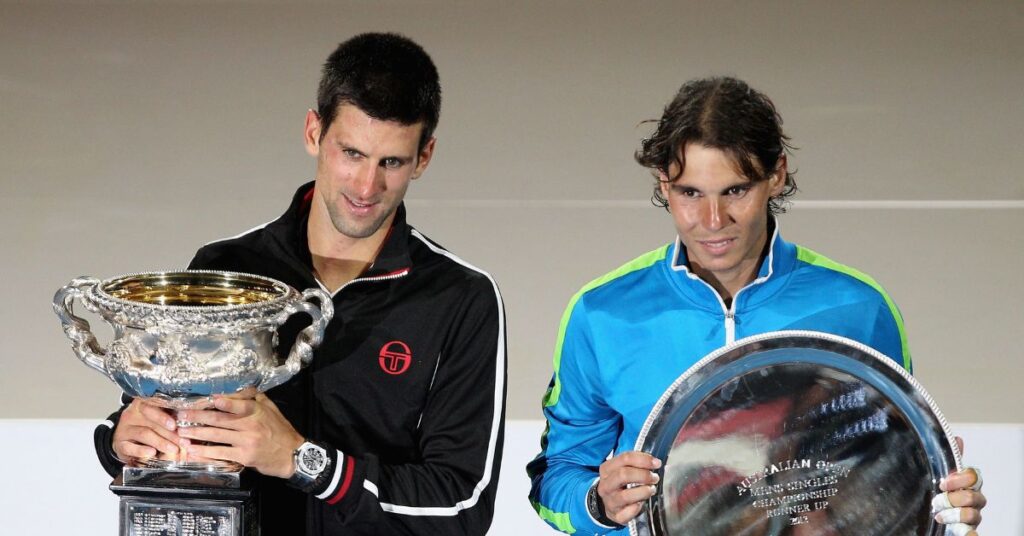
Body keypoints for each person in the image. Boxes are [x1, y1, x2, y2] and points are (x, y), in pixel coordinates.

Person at [527, 76, 985, 535]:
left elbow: (891, 471)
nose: (712, 221)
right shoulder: (601, 313)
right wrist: (598, 504)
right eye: (691, 193)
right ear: (663, 183)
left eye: (735, 191)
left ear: (776, 175)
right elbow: (556, 475)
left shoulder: (859, 308)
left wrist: (944, 499)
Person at [93, 33, 507, 535]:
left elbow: (460, 509)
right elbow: (164, 425)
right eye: (351, 153)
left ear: (424, 157)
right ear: (314, 133)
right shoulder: (226, 269)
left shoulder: (460, 299)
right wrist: (124, 442)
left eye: (391, 162)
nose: (366, 186)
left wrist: (304, 462)